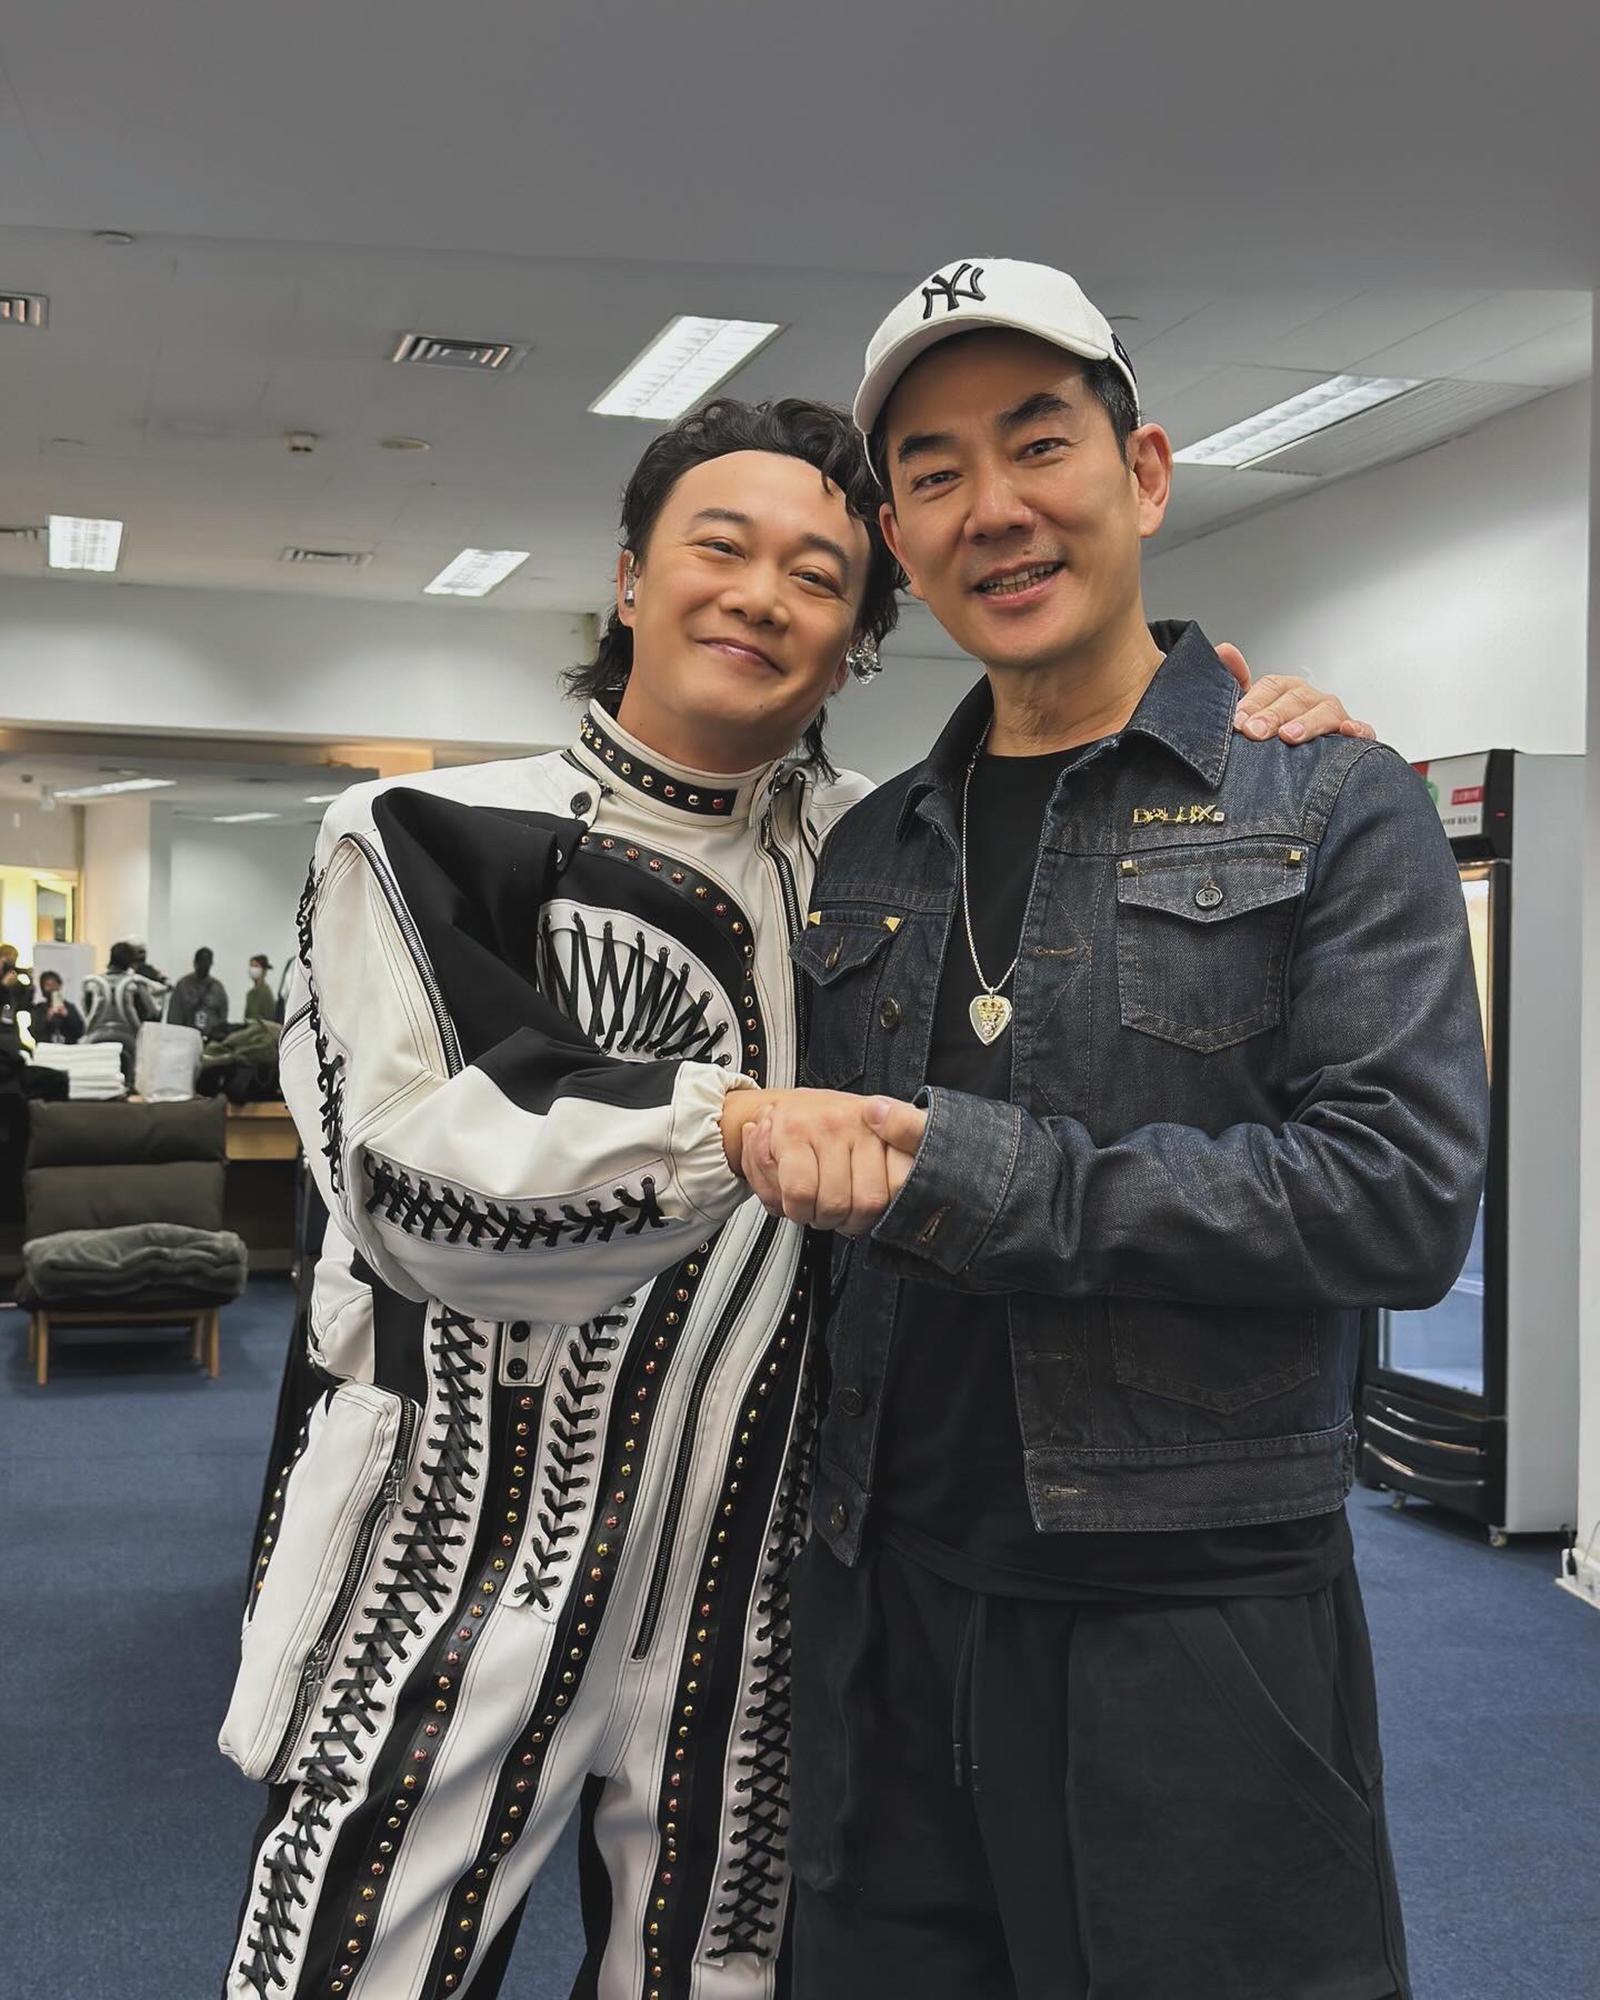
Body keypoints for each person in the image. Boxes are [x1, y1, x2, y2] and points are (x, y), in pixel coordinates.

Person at [222, 392, 1363, 2000]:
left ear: (855, 644)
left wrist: (1249, 744)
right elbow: (416, 1180)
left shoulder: (881, 856)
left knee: (719, 1977)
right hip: (458, 1558)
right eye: (722, 548)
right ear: (631, 578)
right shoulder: (424, 831)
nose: (762, 596)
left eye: (819, 578)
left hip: (762, 1589)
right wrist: (732, 1127)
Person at [739, 261, 1490, 2000]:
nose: (993, 509)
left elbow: (1398, 1199)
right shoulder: (872, 848)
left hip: (1195, 1617)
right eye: (934, 474)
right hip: (888, 1604)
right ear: (900, 540)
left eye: (1037, 444)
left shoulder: (1330, 799)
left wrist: (975, 1174)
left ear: (1142, 473)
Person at [82, 940, 165, 1085]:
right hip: (129, 1039)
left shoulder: (94, 983)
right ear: (131, 962)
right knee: (133, 1078)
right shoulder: (136, 984)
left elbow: (86, 1010)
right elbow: (152, 1012)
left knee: (95, 1079)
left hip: (95, 1037)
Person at [170, 947, 231, 1036]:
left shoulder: (217, 987)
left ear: (211, 964)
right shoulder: (183, 985)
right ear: (195, 963)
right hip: (187, 1035)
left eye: (207, 962)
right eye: (201, 962)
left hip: (211, 1036)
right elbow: (174, 1015)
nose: (204, 965)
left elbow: (223, 1016)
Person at [27, 968, 84, 1045]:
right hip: (47, 1048)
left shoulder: (70, 1007)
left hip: (68, 1048)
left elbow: (80, 1031)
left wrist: (67, 1015)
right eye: (48, 985)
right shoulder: (38, 1009)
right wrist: (47, 1018)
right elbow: (34, 1033)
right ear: (43, 988)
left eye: (54, 984)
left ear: (59, 986)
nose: (52, 988)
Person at [0, 943, 34, 1057]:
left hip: (10, 1031)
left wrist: (31, 983)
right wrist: (3, 986)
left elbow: (25, 1004)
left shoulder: (14, 983)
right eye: (6, 960)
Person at [243, 953, 276, 1024]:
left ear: (264, 970)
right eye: (251, 966)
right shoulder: (250, 994)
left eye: (255, 966)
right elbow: (246, 1018)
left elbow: (270, 1020)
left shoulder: (266, 992)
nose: (253, 969)